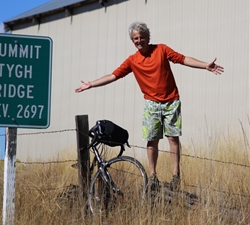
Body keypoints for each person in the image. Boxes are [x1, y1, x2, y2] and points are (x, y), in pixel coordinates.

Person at [75, 22, 224, 191]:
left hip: (171, 101)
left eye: (141, 37)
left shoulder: (161, 49)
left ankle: (176, 175)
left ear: (148, 37)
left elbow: (183, 59)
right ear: (133, 41)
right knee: (152, 140)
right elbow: (113, 76)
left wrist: (205, 65)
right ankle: (153, 176)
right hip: (151, 104)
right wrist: (91, 84)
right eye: (135, 39)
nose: (139, 41)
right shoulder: (132, 60)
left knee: (173, 138)